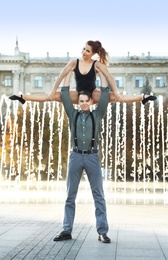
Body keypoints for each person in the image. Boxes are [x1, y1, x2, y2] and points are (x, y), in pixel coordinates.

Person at [53, 74, 111, 243]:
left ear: (91, 102)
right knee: (70, 196)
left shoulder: (97, 114)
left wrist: (101, 73)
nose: (84, 103)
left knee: (98, 196)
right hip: (76, 156)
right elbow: (64, 93)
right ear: (78, 102)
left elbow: (105, 93)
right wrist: (68, 73)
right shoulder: (73, 114)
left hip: (92, 157)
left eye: (87, 100)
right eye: (81, 101)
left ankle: (102, 232)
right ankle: (66, 230)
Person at [9, 40, 157, 105]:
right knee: (52, 97)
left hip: (93, 93)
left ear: (93, 53)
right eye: (83, 49)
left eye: (87, 51)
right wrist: (53, 91)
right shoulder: (74, 62)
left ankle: (143, 97)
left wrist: (117, 92)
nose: (84, 52)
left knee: (114, 98)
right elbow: (60, 77)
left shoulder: (96, 64)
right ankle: (22, 97)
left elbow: (110, 77)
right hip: (78, 93)